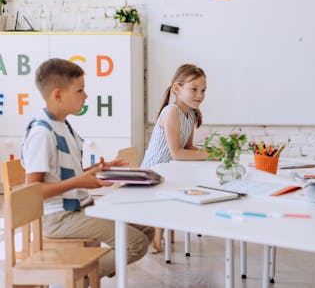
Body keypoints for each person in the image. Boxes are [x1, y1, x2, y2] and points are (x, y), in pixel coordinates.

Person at [21, 58, 154, 278]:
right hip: (58, 218)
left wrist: (98, 169)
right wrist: (80, 181)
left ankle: (86, 274)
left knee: (147, 229)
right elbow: (32, 191)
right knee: (136, 244)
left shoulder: (63, 125)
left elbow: (64, 176)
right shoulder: (42, 133)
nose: (86, 96)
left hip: (77, 206)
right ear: (58, 95)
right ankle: (79, 278)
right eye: (80, 90)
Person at [141, 64, 209, 168]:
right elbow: (176, 154)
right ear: (177, 89)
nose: (200, 95)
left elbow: (188, 147)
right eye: (194, 89)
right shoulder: (172, 111)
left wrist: (215, 151)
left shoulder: (191, 113)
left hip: (170, 170)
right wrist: (210, 155)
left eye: (203, 90)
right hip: (154, 171)